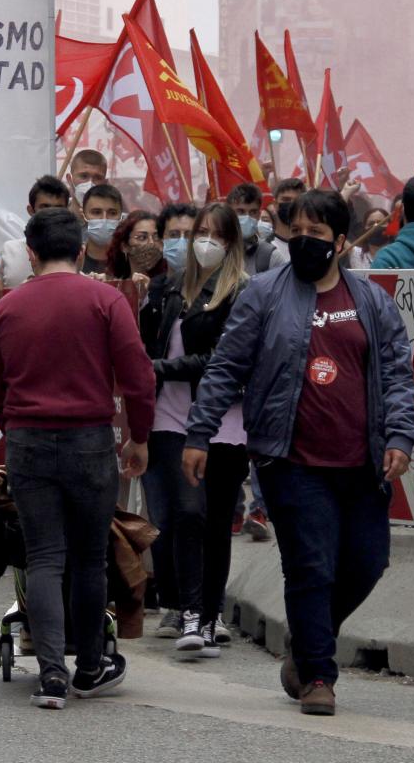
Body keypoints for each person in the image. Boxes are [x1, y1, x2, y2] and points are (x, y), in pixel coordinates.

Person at [185, 188, 414, 717]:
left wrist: (401, 436)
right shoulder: (264, 294)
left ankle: (309, 638)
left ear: (340, 243)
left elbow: (399, 376)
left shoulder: (372, 302)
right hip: (290, 460)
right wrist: (199, 434)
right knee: (311, 567)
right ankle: (316, 673)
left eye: (317, 235)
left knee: (367, 563)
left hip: (362, 463)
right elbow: (226, 367)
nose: (304, 243)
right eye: (297, 233)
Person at [0, 207, 152, 710]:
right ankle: (90, 668)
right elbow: (139, 378)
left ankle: (51, 676)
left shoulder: (7, 308)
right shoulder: (106, 300)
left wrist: (13, 428)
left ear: (30, 253)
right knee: (87, 557)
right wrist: (139, 438)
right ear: (82, 251)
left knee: (43, 557)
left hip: (28, 439)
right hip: (89, 440)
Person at [138, 203, 251, 657]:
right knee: (185, 512)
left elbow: (221, 361)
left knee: (217, 521)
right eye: (199, 232)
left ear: (232, 244)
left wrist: (159, 367)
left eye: (216, 235)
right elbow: (146, 341)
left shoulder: (242, 293)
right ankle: (189, 612)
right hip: (170, 418)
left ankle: (209, 613)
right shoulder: (167, 289)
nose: (205, 241)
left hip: (224, 421)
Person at [0, 175, 72, 292]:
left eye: (58, 209)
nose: (51, 215)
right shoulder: (9, 250)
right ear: (31, 210)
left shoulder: (75, 252)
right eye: (45, 208)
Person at [225, 183, 272, 273]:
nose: (247, 217)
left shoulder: (270, 256)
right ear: (229, 212)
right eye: (240, 211)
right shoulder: (218, 252)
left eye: (253, 212)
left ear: (259, 215)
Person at [80, 184, 125, 274]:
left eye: (112, 213)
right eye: (96, 212)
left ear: (121, 218)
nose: (104, 218)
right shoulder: (73, 260)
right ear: (83, 216)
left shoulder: (130, 261)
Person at [156, 203, 198, 278]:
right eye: (173, 235)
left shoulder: (212, 288)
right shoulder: (152, 287)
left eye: (188, 235)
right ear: (160, 243)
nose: (181, 242)